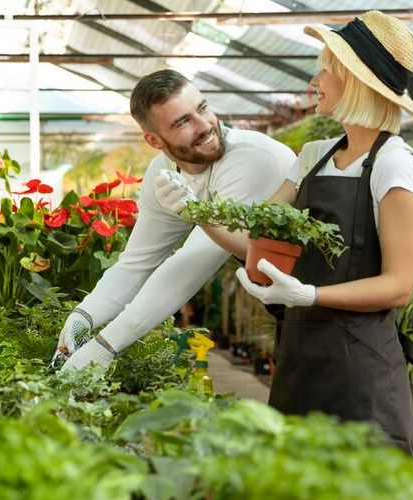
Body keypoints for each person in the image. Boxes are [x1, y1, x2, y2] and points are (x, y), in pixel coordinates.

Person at [156, 11, 413, 453]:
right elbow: (255, 240)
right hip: (300, 362)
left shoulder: (394, 164)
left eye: (326, 69)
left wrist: (309, 295)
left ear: (356, 82)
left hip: (361, 375)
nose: (315, 79)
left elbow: (398, 286)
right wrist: (196, 211)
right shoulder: (315, 156)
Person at [56, 69, 296, 371]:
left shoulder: (252, 159)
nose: (205, 125)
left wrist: (106, 346)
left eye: (203, 108)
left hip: (337, 296)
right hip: (290, 301)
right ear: (154, 140)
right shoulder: (163, 175)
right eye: (183, 122)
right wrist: (84, 316)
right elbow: (137, 263)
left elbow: (192, 263)